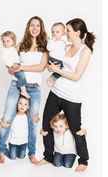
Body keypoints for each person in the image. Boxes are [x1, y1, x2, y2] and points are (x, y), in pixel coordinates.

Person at [37, 18, 95, 172]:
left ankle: (83, 160)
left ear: (77, 32)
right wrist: (51, 67)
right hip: (56, 92)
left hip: (72, 97)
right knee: (46, 125)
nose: (66, 33)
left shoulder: (85, 51)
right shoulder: (66, 46)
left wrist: (56, 71)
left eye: (68, 30)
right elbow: (56, 61)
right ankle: (48, 156)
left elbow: (76, 76)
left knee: (76, 129)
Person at [0, 16, 48, 164]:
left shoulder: (44, 48)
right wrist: (11, 69)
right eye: (32, 25)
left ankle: (32, 153)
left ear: (41, 28)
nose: (34, 28)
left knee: (33, 121)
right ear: (28, 27)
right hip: (16, 86)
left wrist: (22, 67)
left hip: (34, 89)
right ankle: (1, 150)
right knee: (7, 117)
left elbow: (41, 67)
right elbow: (11, 63)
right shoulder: (20, 45)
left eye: (37, 25)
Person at [0, 31, 30, 99]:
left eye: (8, 41)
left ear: (13, 41)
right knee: (21, 75)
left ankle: (23, 89)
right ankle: (23, 91)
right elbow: (5, 59)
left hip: (17, 64)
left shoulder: (12, 48)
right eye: (3, 41)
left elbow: (16, 56)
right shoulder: (5, 50)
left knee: (22, 75)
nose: (5, 43)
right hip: (13, 66)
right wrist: (11, 65)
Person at [0, 96, 29, 160]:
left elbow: (35, 120)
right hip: (13, 142)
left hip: (24, 142)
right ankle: (5, 150)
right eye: (20, 103)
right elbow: (0, 118)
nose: (22, 106)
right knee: (13, 158)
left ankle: (17, 151)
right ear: (17, 104)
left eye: (25, 104)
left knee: (21, 157)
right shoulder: (13, 114)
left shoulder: (27, 116)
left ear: (28, 107)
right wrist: (2, 123)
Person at [46, 22, 68, 87]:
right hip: (53, 59)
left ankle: (51, 79)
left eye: (57, 32)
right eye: (53, 32)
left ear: (63, 33)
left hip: (59, 60)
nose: (54, 34)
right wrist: (52, 40)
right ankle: (51, 79)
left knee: (63, 69)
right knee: (62, 70)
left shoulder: (63, 41)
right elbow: (48, 48)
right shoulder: (52, 41)